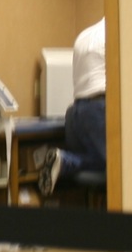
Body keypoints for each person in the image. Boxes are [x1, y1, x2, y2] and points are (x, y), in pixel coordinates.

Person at [34, 17, 107, 197]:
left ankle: (65, 160)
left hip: (76, 111)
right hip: (100, 107)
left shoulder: (85, 35)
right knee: (118, 167)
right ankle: (66, 161)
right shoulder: (116, 34)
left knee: (101, 162)